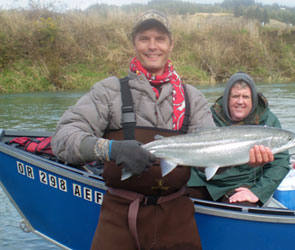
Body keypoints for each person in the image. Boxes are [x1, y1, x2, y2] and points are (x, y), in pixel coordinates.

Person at [51, 10, 216, 250]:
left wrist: (248, 158)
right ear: (134, 43)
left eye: (160, 39)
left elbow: (210, 158)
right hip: (119, 219)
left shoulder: (193, 98)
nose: (152, 46)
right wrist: (109, 148)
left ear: (171, 44)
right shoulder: (108, 92)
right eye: (144, 38)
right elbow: (62, 139)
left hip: (177, 219)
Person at [188, 72, 290, 207]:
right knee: (173, 197)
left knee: (243, 208)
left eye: (245, 97)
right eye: (235, 96)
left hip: (240, 185)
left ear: (253, 99)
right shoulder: (208, 115)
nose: (240, 101)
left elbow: (280, 163)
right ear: (227, 99)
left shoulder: (269, 121)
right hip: (202, 181)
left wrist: (257, 192)